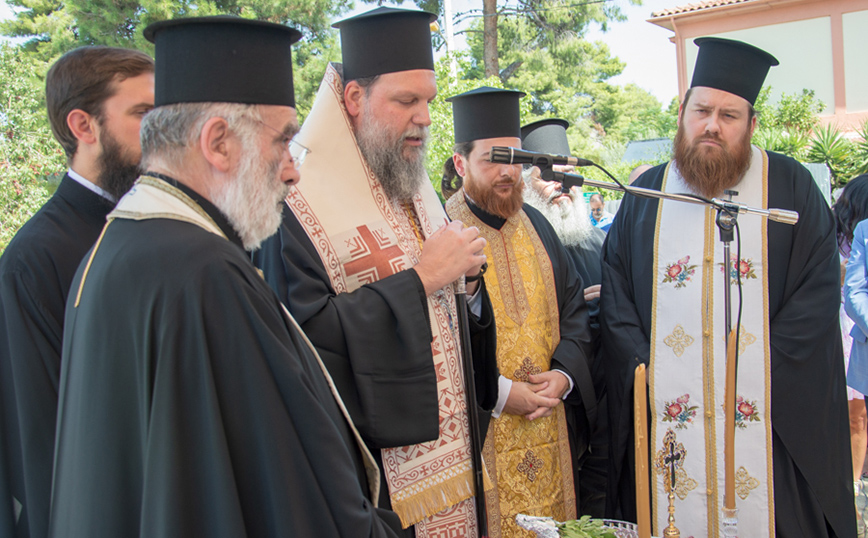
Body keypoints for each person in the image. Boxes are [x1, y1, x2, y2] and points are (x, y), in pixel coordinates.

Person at [49, 17, 403, 538]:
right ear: (217, 142)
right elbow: (293, 492)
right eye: (283, 140)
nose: (292, 168)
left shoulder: (115, 246)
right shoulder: (206, 273)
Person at [252, 8, 497, 536]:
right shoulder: (294, 201)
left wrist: (468, 286)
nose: (426, 118)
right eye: (406, 101)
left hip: (455, 474)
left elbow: (452, 323)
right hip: (370, 488)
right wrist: (421, 281)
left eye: (428, 100)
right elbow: (299, 342)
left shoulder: (409, 179)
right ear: (355, 98)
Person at [601, 37, 854, 537]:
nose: (712, 125)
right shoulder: (645, 194)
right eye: (702, 110)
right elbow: (617, 296)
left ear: (751, 124)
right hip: (668, 415)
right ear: (682, 113)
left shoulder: (789, 187)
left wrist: (753, 368)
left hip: (771, 416)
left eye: (729, 115)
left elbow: (818, 288)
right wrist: (653, 368)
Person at [0, 46, 154, 538]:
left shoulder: (162, 229)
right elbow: (41, 439)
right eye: (144, 115)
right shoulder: (34, 258)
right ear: (84, 127)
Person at [445, 87, 596, 537]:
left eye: (514, 159)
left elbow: (574, 311)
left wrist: (564, 374)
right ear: (460, 164)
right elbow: (438, 336)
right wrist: (497, 392)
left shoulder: (541, 226)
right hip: (482, 431)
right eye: (492, 159)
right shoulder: (441, 231)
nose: (507, 172)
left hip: (551, 422)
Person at [520, 117, 607, 518]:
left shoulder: (602, 242)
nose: (562, 186)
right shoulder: (522, 240)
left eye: (571, 177)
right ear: (523, 179)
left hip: (600, 395)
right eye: (549, 175)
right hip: (544, 397)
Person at [837, 174, 868, 494]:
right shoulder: (843, 236)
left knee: (856, 417)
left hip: (850, 331)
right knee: (852, 415)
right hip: (846, 331)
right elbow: (854, 293)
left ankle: (855, 482)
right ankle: (850, 485)